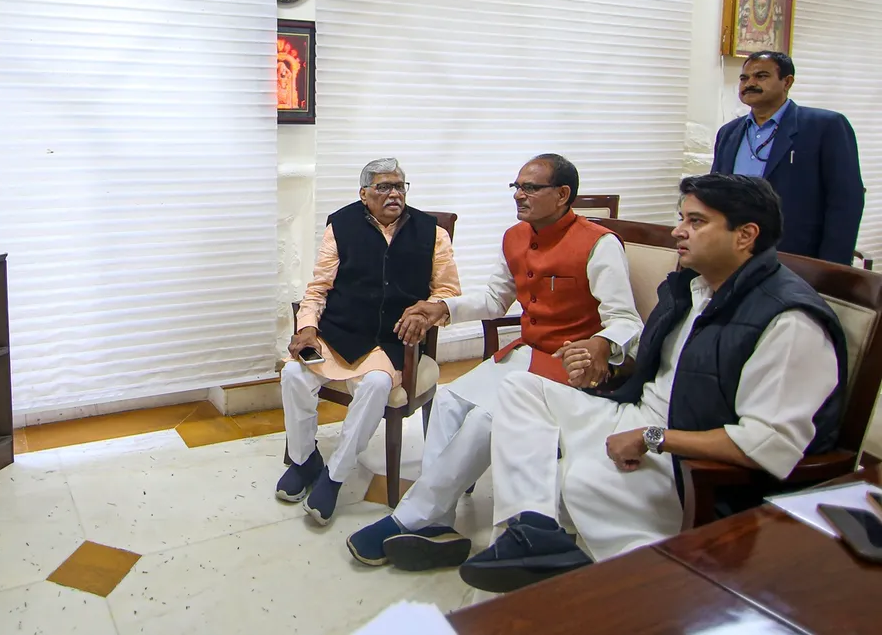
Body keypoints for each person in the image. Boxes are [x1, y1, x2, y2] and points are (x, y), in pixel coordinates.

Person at [460, 174, 848, 594]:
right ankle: (534, 531)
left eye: (697, 222)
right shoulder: (692, 289)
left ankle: (655, 590)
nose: (678, 231)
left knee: (584, 479)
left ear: (745, 235)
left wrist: (652, 437)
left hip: (688, 453)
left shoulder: (788, 321)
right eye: (681, 218)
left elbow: (768, 443)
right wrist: (603, 358)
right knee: (521, 387)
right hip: (637, 411)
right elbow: (659, 366)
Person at [345, 154, 642, 569]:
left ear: (562, 195)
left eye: (530, 188)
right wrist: (440, 308)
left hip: (567, 366)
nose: (519, 195)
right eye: (516, 187)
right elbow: (494, 300)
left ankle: (412, 516)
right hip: (524, 354)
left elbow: (627, 320)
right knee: (448, 403)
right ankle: (437, 522)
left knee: (486, 418)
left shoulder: (599, 243)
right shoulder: (515, 237)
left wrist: (600, 345)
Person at [278, 158, 460, 526]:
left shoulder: (432, 232)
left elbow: (448, 294)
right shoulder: (341, 224)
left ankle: (334, 475)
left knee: (376, 384)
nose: (394, 193)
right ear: (364, 194)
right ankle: (304, 460)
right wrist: (308, 326)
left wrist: (426, 313)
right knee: (293, 376)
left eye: (399, 186)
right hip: (339, 332)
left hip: (392, 341)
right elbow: (318, 288)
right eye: (383, 187)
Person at [711, 51, 864, 265]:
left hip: (795, 256)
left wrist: (832, 268)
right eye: (744, 78)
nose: (750, 83)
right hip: (734, 253)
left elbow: (846, 201)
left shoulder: (824, 127)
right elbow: (715, 196)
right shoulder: (729, 133)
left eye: (761, 76)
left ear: (787, 82)